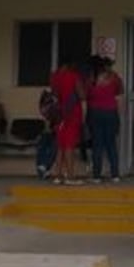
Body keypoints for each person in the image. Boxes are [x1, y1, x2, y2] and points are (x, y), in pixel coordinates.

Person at [86, 56, 124, 183]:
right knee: (111, 145)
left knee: (98, 145)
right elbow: (119, 96)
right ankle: (115, 175)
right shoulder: (115, 78)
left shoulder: (91, 79)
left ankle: (96, 175)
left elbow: (87, 96)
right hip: (110, 113)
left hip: (95, 113)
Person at [49, 57, 86, 185]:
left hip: (59, 115)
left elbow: (54, 95)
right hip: (72, 114)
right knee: (69, 146)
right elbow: (82, 95)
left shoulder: (54, 77)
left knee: (60, 146)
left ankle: (57, 176)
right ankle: (70, 176)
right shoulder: (74, 76)